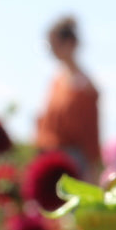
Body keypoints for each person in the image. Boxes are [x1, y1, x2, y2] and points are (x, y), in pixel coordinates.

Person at [36, 15, 101, 177]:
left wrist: (92, 169)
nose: (52, 50)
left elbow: (89, 133)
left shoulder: (85, 85)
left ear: (70, 43)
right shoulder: (57, 80)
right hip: (50, 156)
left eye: (54, 44)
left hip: (73, 162)